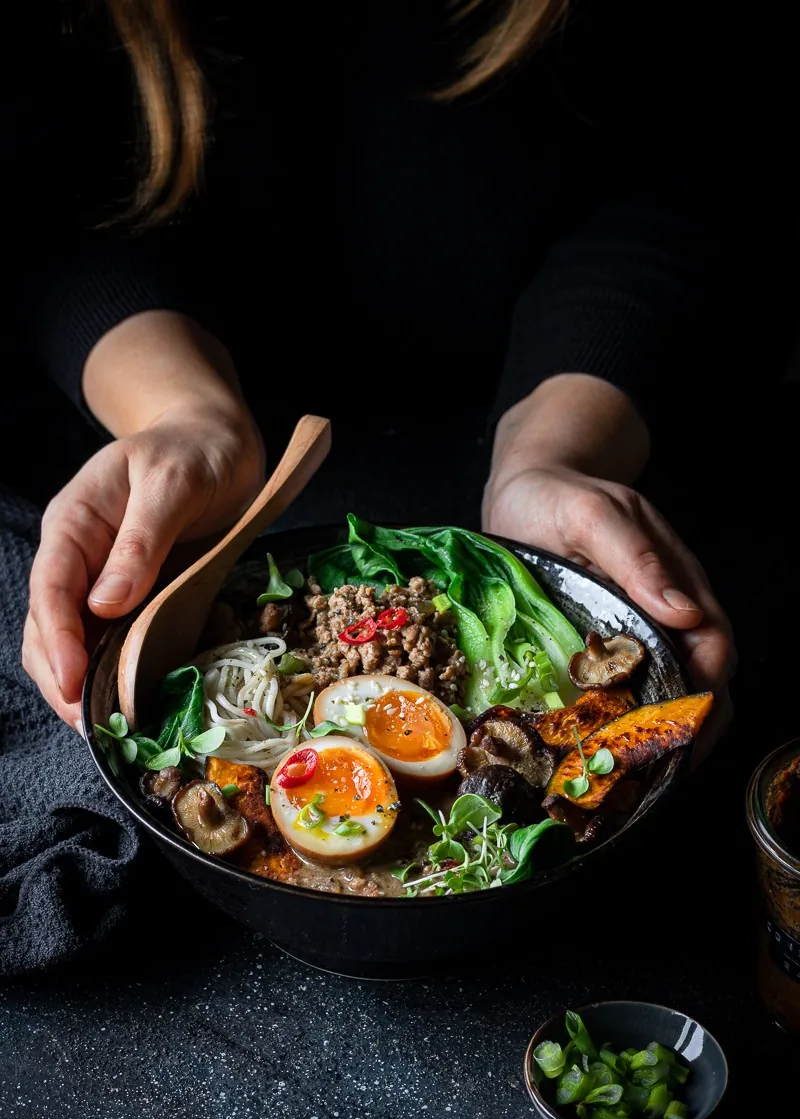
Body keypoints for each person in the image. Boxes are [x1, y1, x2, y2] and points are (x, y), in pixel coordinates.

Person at [14, 0, 787, 733]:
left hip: (577, 407)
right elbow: (48, 194)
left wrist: (555, 453)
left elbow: (686, 161)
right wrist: (181, 414)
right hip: (176, 469)